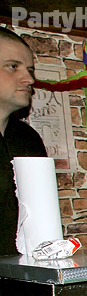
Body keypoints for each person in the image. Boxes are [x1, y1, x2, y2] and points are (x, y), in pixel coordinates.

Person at [0, 28, 46, 256]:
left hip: (21, 282)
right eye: (12, 66)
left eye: (29, 70)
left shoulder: (28, 139)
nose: (29, 79)